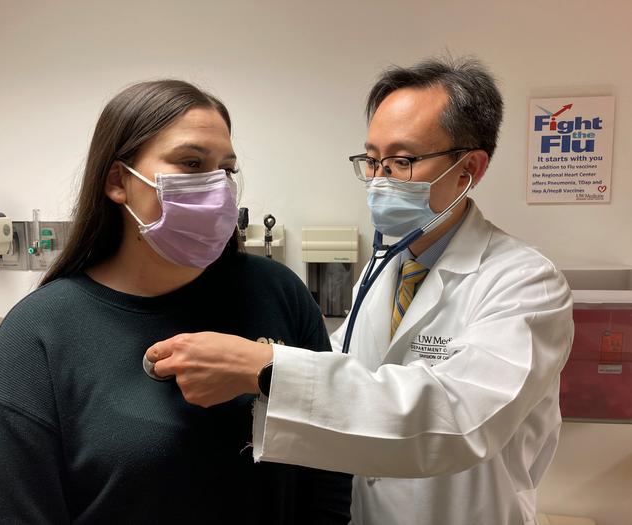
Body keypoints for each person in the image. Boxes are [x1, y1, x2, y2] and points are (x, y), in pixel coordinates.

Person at [145, 57, 574, 525]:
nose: (379, 180)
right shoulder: (382, 268)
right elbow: (344, 366)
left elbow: (460, 420)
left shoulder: (526, 284)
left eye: (402, 161)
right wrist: (252, 355)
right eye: (371, 160)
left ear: (469, 167)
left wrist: (265, 369)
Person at [0, 79, 351, 524]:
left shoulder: (277, 292)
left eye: (226, 170)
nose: (217, 187)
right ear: (118, 181)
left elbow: (330, 459)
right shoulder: (38, 337)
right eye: (191, 163)